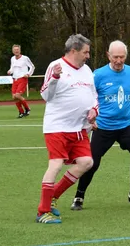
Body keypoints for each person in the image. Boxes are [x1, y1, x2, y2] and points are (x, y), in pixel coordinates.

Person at [71, 40, 130, 211]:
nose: (118, 60)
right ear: (108, 55)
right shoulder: (98, 75)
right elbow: (87, 97)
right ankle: (79, 196)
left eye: (122, 57)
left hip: (126, 126)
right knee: (92, 163)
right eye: (115, 57)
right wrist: (89, 121)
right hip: (103, 127)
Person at [36, 34, 98, 224]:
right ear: (74, 51)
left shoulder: (87, 70)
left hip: (79, 129)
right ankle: (43, 211)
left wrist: (94, 110)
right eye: (85, 52)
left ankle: (53, 195)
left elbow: (93, 95)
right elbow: (46, 95)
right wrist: (54, 77)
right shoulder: (56, 66)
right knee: (55, 165)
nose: (88, 56)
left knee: (86, 162)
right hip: (57, 127)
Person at [7, 44, 35, 118]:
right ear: (13, 51)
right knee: (14, 97)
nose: (16, 51)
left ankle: (27, 108)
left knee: (17, 95)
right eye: (15, 49)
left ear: (20, 50)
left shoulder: (25, 58)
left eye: (17, 49)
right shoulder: (12, 58)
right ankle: (21, 112)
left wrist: (28, 74)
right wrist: (10, 71)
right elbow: (12, 68)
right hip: (15, 79)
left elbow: (32, 66)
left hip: (22, 78)